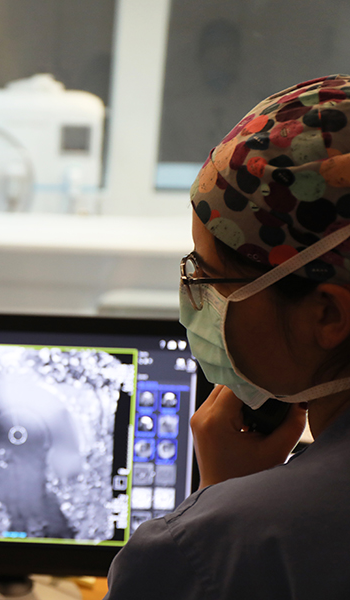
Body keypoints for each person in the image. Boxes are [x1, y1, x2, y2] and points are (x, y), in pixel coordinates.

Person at [104, 75, 350, 598]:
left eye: (209, 278)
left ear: (328, 313)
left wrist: (220, 509)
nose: (194, 296)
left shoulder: (203, 555)